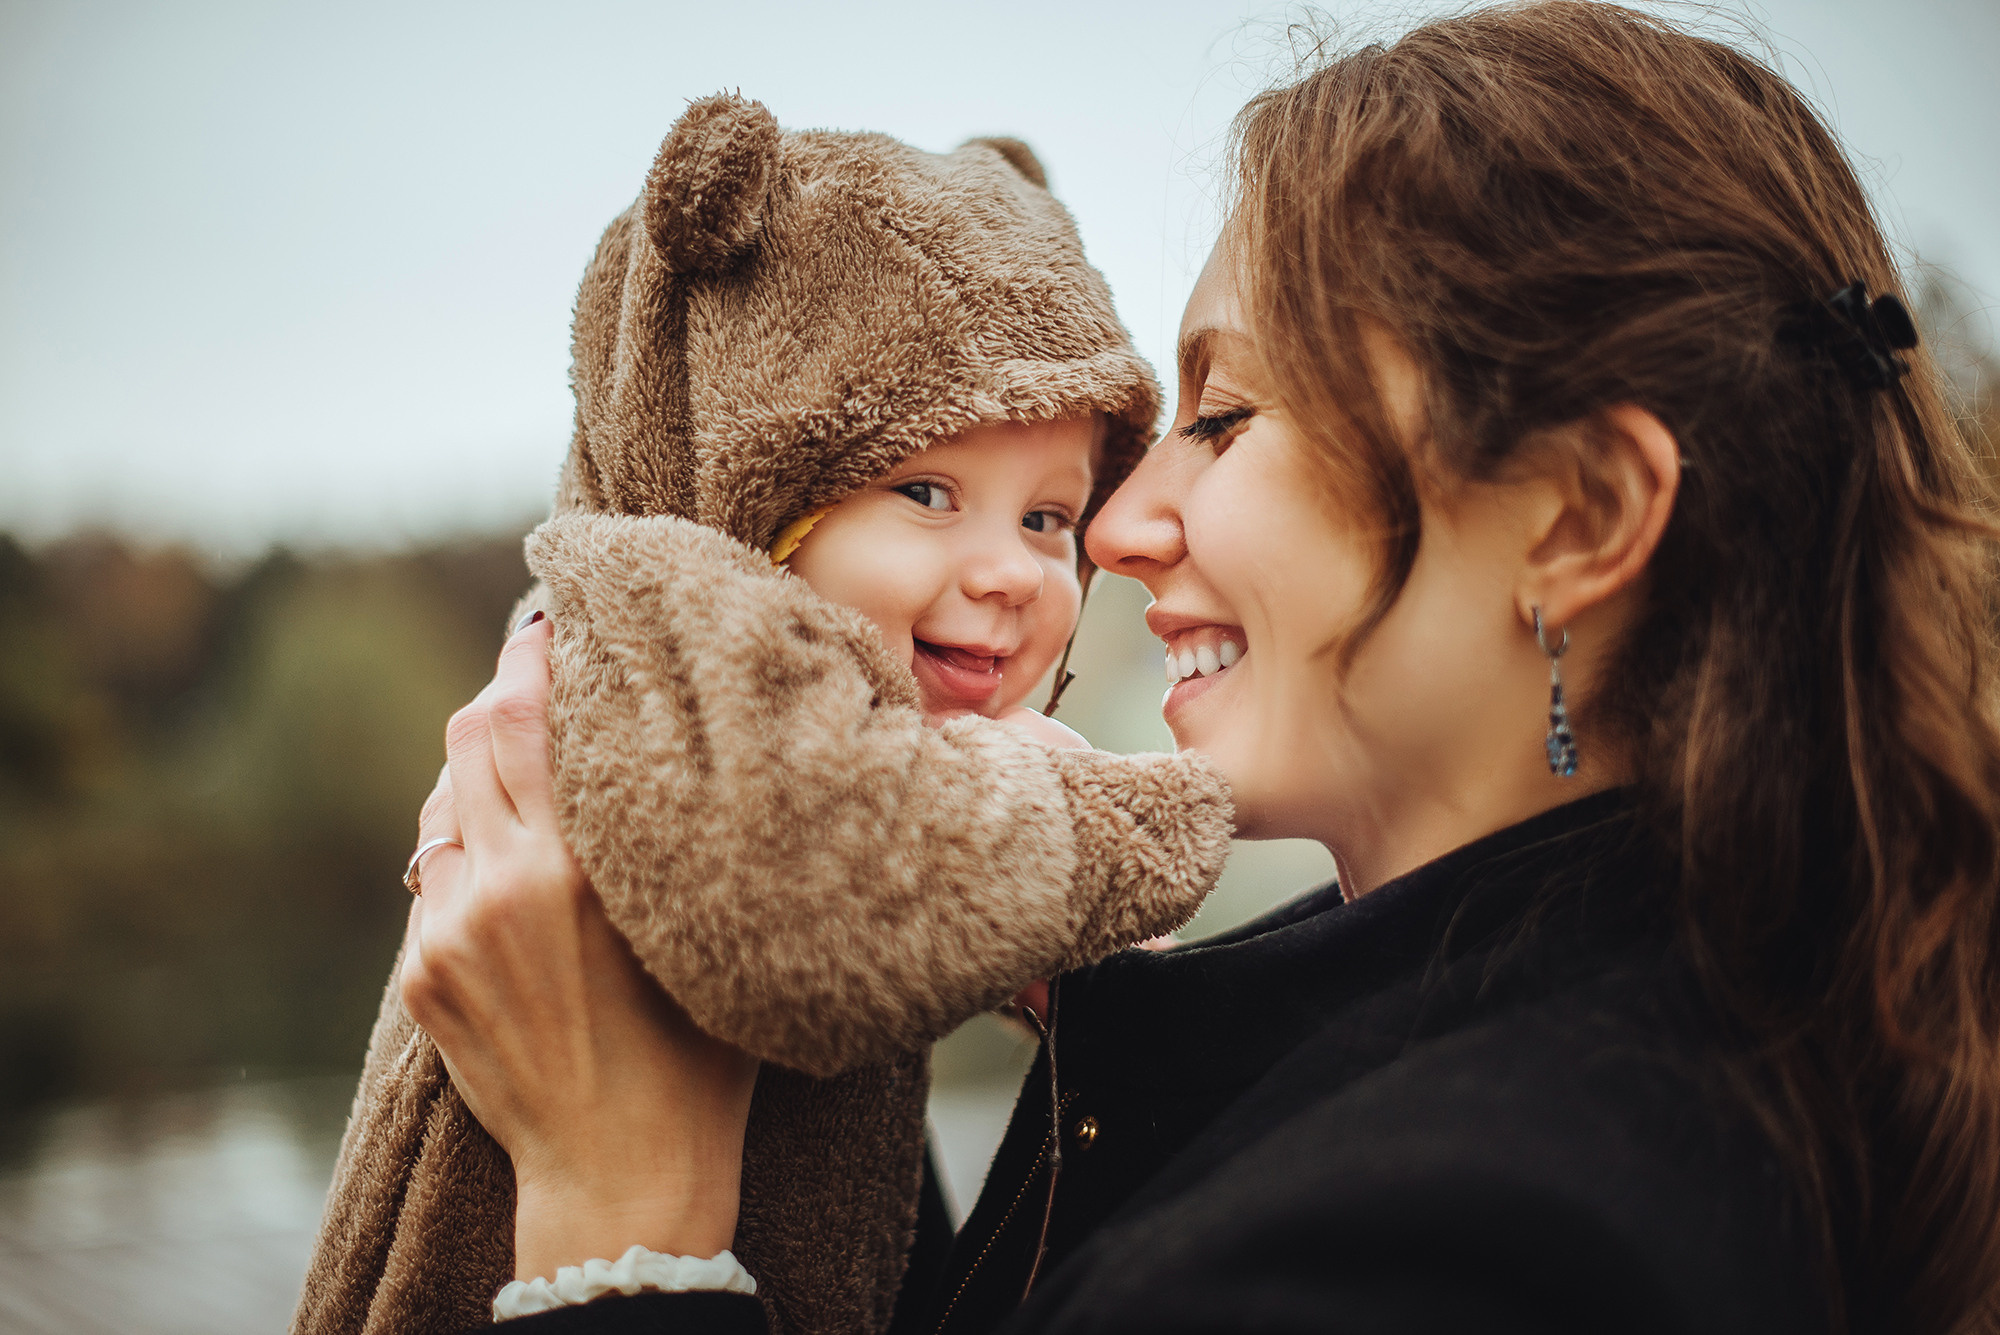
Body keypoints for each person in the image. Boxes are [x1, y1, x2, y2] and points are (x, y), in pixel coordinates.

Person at [399, 3, 2000, 1331]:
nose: (1118, 523)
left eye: (1223, 418)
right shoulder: (1664, 1036)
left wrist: (623, 1220)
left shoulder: (1459, 1248)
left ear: (1576, 515)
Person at [297, 97, 1232, 1335]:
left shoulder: (803, 698)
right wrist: (1100, 820)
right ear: (744, 481)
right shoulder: (655, 610)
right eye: (926, 491)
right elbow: (784, 911)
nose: (1012, 570)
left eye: (1047, 518)